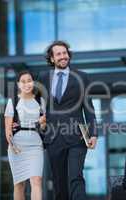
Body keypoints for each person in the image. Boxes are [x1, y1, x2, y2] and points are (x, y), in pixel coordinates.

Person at [38, 40, 97, 200]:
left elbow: (88, 107)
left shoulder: (82, 77)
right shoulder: (43, 77)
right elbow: (36, 104)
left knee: (75, 177)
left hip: (76, 137)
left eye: (65, 53)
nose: (63, 56)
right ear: (52, 59)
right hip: (53, 138)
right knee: (59, 184)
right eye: (58, 54)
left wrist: (93, 133)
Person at [4, 70, 46, 200]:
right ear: (18, 84)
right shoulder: (13, 101)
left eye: (29, 80)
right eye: (23, 81)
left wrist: (42, 123)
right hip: (18, 146)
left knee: (37, 180)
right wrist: (13, 146)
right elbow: (8, 129)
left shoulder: (40, 101)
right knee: (19, 184)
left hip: (35, 145)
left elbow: (44, 127)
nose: (26, 84)